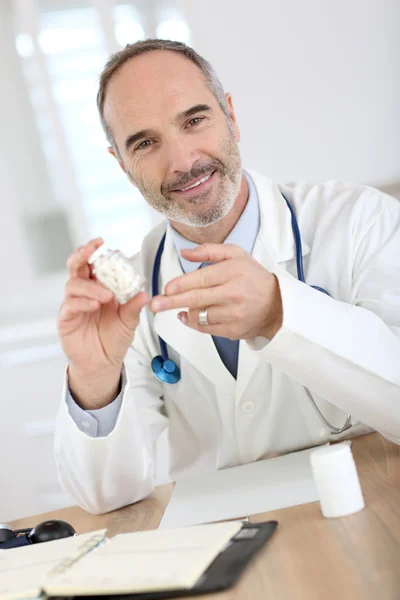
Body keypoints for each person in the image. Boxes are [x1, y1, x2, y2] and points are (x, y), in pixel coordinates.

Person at [55, 39, 400, 514]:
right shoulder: (127, 299)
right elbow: (105, 497)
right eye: (146, 142)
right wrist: (94, 380)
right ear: (121, 163)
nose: (181, 161)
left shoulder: (361, 222)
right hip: (229, 546)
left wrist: (281, 313)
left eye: (194, 121)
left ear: (230, 116)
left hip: (372, 514)